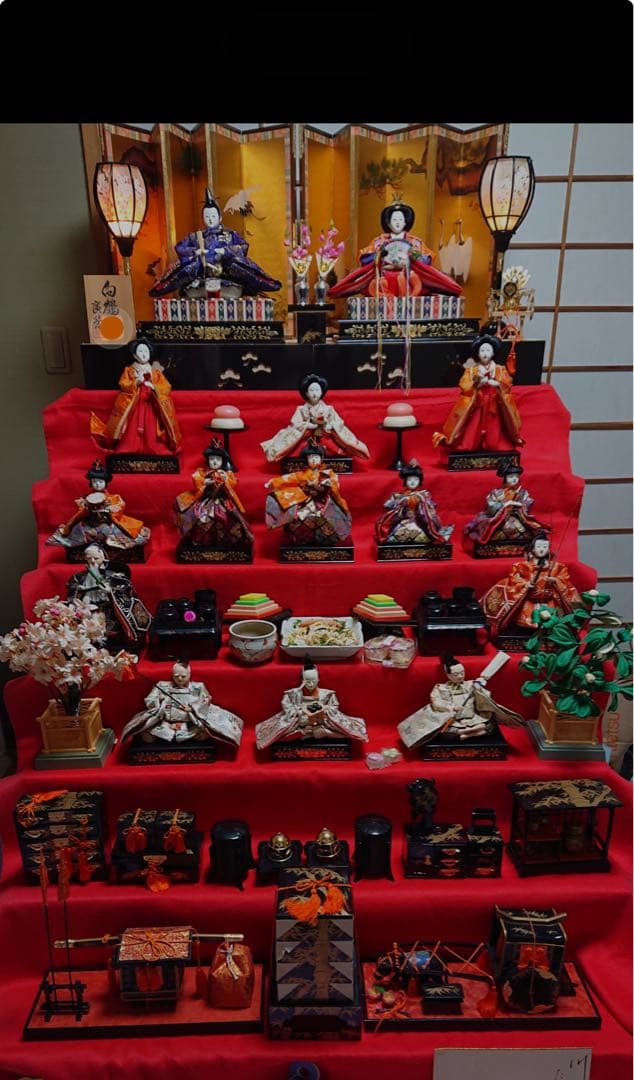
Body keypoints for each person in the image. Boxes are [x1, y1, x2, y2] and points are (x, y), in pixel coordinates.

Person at [149, 188, 281, 300]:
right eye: (207, 217)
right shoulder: (196, 236)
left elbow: (244, 246)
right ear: (202, 219)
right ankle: (160, 288)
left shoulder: (230, 234)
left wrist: (226, 252)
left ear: (220, 217)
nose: (210, 219)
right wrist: (196, 252)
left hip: (226, 276)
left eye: (213, 216)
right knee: (188, 265)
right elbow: (179, 247)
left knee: (237, 263)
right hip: (201, 277)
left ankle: (266, 283)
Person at [329, 201, 462, 299]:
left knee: (421, 280)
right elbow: (365, 259)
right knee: (372, 282)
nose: (397, 222)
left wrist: (412, 257)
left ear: (405, 222)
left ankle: (409, 296)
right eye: (394, 219)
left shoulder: (415, 242)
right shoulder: (379, 241)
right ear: (388, 222)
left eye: (400, 219)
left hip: (409, 276)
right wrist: (381, 256)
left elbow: (426, 261)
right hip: (383, 276)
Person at [398, 653, 524, 748]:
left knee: (489, 725)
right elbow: (436, 702)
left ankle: (467, 733)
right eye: (456, 674)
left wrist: (479, 687)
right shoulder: (441, 688)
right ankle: (468, 732)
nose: (460, 676)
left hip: (473, 717)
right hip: (453, 719)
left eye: (462, 673)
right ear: (448, 675)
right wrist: (451, 707)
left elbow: (483, 696)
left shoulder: (470, 684)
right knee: (445, 732)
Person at [90, 337, 181, 455]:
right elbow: (123, 383)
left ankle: (152, 448)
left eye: (146, 351)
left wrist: (154, 387)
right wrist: (136, 382)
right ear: (134, 355)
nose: (144, 354)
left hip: (150, 404)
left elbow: (166, 386)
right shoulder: (129, 371)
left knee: (150, 428)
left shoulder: (156, 373)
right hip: (135, 404)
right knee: (132, 428)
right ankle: (129, 447)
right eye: (140, 351)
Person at [432, 335, 524, 452]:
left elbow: (507, 383)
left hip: (494, 402)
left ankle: (493, 443)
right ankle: (472, 444)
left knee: (494, 431)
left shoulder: (500, 369)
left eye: (488, 350)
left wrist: (498, 384)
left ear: (493, 353)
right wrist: (477, 385)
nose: (485, 353)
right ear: (478, 353)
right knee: (473, 429)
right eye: (482, 350)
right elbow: (464, 385)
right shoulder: (471, 371)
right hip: (477, 403)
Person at [121, 661, 243, 747]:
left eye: (183, 676)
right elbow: (149, 699)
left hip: (189, 722)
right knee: (148, 734)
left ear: (189, 675)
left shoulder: (198, 687)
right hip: (166, 721)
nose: (179, 679)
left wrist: (193, 708)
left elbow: (206, 699)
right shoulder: (162, 685)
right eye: (176, 676)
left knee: (203, 733)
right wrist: (159, 699)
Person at [481, 530, 581, 635]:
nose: (541, 549)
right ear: (532, 549)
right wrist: (526, 584)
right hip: (529, 602)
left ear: (548, 549)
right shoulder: (522, 566)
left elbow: (564, 579)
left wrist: (555, 580)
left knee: (552, 620)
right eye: (538, 546)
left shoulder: (557, 566)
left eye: (545, 547)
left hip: (549, 601)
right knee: (527, 621)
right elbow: (514, 579)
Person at [255, 660, 368, 749]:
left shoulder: (327, 694)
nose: (310, 684)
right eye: (307, 681)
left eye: (313, 680)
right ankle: (304, 733)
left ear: (318, 679)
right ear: (302, 680)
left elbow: (334, 706)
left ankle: (323, 733)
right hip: (299, 720)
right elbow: (287, 706)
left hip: (322, 721)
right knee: (280, 734)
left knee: (342, 731)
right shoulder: (292, 694)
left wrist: (324, 711)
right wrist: (299, 713)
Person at [47, 460, 150, 557]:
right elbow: (81, 511)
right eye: (94, 482)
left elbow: (120, 507)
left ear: (106, 483)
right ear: (90, 483)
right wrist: (87, 508)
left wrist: (110, 509)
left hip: (108, 523)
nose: (97, 484)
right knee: (77, 530)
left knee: (120, 532)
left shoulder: (114, 497)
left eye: (100, 482)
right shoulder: (85, 498)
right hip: (90, 523)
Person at [261, 373, 370, 464]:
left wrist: (331, 426)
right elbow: (295, 423)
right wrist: (308, 425)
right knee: (296, 451)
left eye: (317, 390)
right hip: (306, 437)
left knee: (335, 450)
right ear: (306, 393)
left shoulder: (328, 409)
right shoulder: (301, 409)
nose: (314, 393)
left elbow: (339, 422)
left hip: (325, 437)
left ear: (322, 392)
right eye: (311, 390)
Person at [66, 544, 151, 652]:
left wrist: (111, 590)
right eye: (89, 558)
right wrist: (79, 589)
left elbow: (125, 585)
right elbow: (72, 586)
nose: (93, 561)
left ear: (103, 558)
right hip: (89, 608)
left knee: (113, 627)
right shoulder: (79, 577)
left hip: (110, 607)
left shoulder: (114, 574)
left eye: (96, 558)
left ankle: (115, 641)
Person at [265, 444, 352, 548]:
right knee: (295, 512)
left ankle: (330, 532)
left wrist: (326, 483)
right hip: (306, 499)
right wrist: (273, 482)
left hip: (323, 499)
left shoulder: (328, 472)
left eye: (316, 457)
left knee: (333, 515)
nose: (314, 460)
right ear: (306, 459)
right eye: (310, 457)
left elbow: (334, 482)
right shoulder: (302, 474)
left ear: (322, 458)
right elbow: (288, 478)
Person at [175, 443, 253, 550]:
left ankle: (228, 541)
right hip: (206, 501)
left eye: (218, 459)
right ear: (208, 460)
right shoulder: (202, 473)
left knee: (230, 519)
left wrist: (226, 480)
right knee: (199, 518)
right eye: (212, 459)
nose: (215, 462)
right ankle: (201, 541)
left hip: (222, 501)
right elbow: (196, 480)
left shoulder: (226, 474)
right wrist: (204, 482)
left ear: (222, 461)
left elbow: (233, 483)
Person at [464, 463, 547, 545]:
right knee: (495, 528)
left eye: (516, 476)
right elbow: (491, 505)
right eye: (511, 477)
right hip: (500, 517)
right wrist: (504, 504)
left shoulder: (522, 492)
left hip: (517, 516)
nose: (514, 479)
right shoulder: (496, 492)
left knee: (524, 529)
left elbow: (528, 502)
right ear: (505, 478)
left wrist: (519, 504)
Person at [375, 460, 453, 545]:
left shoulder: (424, 495)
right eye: (409, 480)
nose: (412, 482)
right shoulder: (398, 496)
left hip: (419, 521)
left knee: (425, 532)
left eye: (416, 479)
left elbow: (430, 510)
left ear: (420, 481)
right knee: (395, 533)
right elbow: (388, 507)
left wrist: (422, 507)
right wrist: (401, 506)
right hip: (403, 521)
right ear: (405, 481)